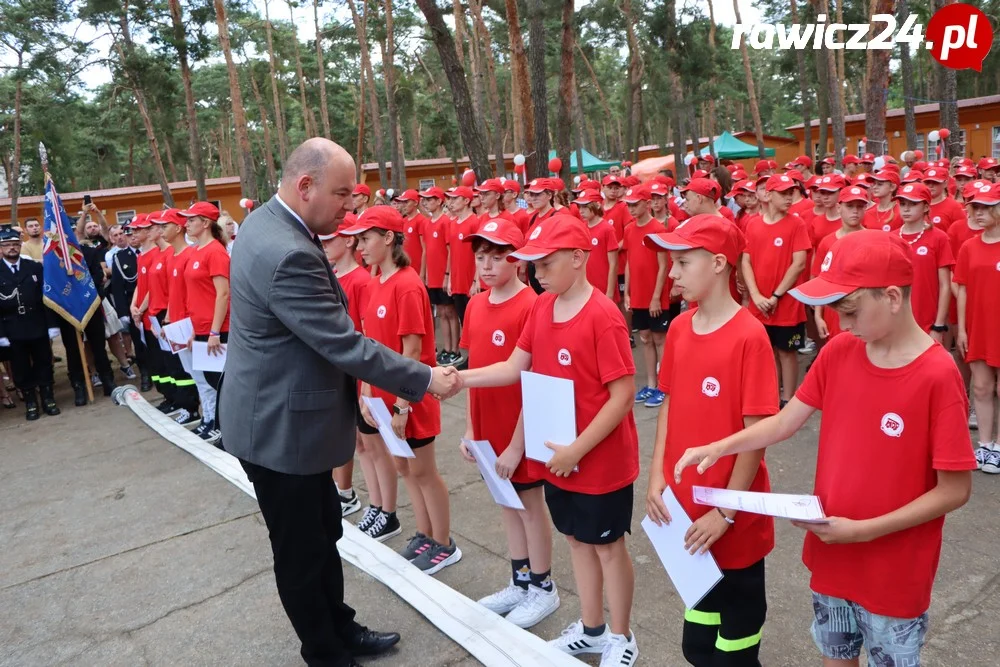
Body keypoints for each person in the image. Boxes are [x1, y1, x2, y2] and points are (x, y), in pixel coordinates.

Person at [675, 230, 975, 667]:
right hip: (832, 555)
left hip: (894, 573)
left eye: (848, 309)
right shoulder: (839, 352)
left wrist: (864, 530)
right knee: (834, 657)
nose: (841, 323)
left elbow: (955, 489)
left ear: (892, 297)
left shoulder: (937, 375)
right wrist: (720, 446)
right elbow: (784, 422)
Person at [219, 138, 462, 667]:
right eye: (343, 195)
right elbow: (343, 343)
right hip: (281, 430)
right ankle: (325, 651)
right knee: (301, 552)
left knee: (324, 531)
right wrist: (422, 376)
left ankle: (339, 627)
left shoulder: (268, 223)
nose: (350, 207)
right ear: (305, 186)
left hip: (282, 417)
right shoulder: (287, 253)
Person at [459, 214, 641, 667]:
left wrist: (578, 448)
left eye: (545, 263)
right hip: (556, 457)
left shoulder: (603, 316)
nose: (536, 272)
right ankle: (592, 627)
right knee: (577, 542)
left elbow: (622, 396)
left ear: (579, 258)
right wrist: (456, 378)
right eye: (532, 264)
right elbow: (514, 368)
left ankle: (622, 636)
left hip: (598, 462)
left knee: (607, 547)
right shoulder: (542, 307)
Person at [644, 214, 775, 667]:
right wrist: (657, 476)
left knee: (735, 651)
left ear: (719, 263)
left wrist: (726, 511)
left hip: (732, 521)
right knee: (697, 646)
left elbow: (756, 436)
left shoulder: (749, 337)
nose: (673, 274)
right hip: (687, 517)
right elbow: (669, 406)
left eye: (682, 262)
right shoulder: (680, 329)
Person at [457, 218, 560, 627]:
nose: (486, 266)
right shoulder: (475, 305)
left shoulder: (532, 305)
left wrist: (517, 445)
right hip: (487, 428)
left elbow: (533, 381)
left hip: (521, 429)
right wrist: (470, 428)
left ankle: (542, 586)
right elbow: (474, 372)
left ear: (517, 261)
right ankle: (520, 581)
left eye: (497, 257)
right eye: (481, 257)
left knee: (531, 507)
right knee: (506, 504)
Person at [348, 207, 462, 572]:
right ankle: (425, 534)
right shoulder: (374, 280)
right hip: (383, 396)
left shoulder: (408, 284)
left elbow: (411, 351)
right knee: (404, 468)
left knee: (424, 471)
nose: (360, 246)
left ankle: (444, 542)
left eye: (366, 238)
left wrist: (401, 407)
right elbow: (369, 344)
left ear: (388, 238)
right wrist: (366, 392)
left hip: (410, 397)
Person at [742, 174, 811, 406]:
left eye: (791, 192)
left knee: (787, 351)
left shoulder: (796, 223)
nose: (789, 197)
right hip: (759, 302)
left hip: (786, 303)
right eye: (783, 193)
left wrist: (775, 296)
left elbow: (799, 263)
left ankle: (788, 398)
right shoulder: (753, 224)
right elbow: (746, 261)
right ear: (768, 195)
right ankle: (772, 392)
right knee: (767, 350)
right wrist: (756, 295)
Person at [320, 222, 368, 516]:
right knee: (343, 433)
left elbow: (364, 330)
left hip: (354, 366)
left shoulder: (360, 280)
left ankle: (346, 491)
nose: (324, 246)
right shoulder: (334, 275)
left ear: (349, 242)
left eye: (330, 240)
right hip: (337, 364)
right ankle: (342, 489)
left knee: (358, 438)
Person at [956, 182, 1000, 473]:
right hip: (979, 327)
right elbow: (963, 289)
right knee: (981, 387)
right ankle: (986, 446)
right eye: (975, 207)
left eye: (986, 207)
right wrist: (962, 329)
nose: (979, 213)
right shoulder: (968, 246)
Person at [179, 201, 230, 444]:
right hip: (201, 329)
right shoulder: (196, 252)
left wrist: (214, 331)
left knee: (222, 383)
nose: (186, 224)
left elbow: (223, 293)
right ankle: (223, 428)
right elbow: (195, 295)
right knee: (211, 380)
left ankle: (226, 431)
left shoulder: (215, 251)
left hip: (218, 330)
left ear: (205, 223)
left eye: (191, 219)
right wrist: (194, 330)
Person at [0, 226, 61, 420]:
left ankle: (48, 398)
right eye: (7, 245)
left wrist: (52, 324)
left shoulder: (34, 267)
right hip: (12, 328)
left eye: (15, 244)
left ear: (20, 245)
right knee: (20, 367)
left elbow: (46, 297)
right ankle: (31, 402)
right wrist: (1, 334)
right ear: (1, 248)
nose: (12, 248)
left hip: (38, 324)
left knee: (44, 362)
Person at [154, 209, 205, 435]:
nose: (161, 230)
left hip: (189, 324)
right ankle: (204, 416)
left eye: (165, 226)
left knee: (201, 375)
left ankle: (208, 417)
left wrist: (191, 323)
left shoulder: (189, 255)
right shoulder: (172, 257)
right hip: (176, 323)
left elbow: (193, 295)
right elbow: (173, 293)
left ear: (178, 228)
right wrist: (168, 320)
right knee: (189, 371)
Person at [622, 185, 673, 409]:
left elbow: (663, 266)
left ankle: (664, 385)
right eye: (629, 205)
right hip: (639, 295)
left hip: (655, 295)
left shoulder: (658, 229)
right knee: (645, 338)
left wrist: (655, 297)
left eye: (636, 204)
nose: (632, 209)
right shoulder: (629, 230)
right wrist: (628, 293)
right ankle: (652, 384)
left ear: (647, 204)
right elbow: (630, 263)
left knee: (660, 338)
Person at [893, 183, 954, 338]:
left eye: (913, 204)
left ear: (926, 207)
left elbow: (945, 285)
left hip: (927, 321)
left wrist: (939, 325)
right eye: (903, 204)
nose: (906, 209)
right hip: (895, 320)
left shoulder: (939, 238)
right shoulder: (891, 238)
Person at [812, 187, 867, 343]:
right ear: (839, 208)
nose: (855, 211)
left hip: (864, 312)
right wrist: (818, 315)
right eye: (850, 206)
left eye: (859, 206)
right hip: (834, 313)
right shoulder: (827, 242)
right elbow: (821, 280)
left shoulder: (874, 239)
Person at [109, 219, 150, 392]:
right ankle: (146, 374)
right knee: (139, 344)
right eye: (128, 233)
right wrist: (123, 313)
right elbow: (117, 287)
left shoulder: (152, 251)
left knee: (156, 343)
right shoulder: (120, 257)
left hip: (154, 305)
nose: (131, 236)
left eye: (134, 232)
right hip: (134, 308)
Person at [421, 187, 460, 365]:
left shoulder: (446, 222)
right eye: (425, 199)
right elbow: (427, 251)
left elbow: (451, 251)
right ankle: (446, 348)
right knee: (441, 312)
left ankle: (455, 349)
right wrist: (426, 274)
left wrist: (447, 275)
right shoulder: (427, 223)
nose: (426, 202)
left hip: (444, 275)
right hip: (433, 276)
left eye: (430, 199)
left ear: (439, 201)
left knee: (450, 311)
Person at [444, 186, 479, 327]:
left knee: (475, 323)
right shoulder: (452, 224)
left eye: (455, 198)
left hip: (470, 282)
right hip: (457, 282)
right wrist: (450, 279)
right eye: (450, 198)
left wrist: (476, 281)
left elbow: (479, 253)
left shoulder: (475, 222)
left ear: (466, 201)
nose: (451, 202)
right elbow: (452, 253)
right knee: (463, 321)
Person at [577, 190, 619, 300]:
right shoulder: (582, 228)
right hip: (586, 286)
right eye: (580, 207)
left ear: (597, 205)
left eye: (585, 207)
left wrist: (610, 292)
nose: (581, 211)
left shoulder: (607, 229)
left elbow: (613, 264)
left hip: (603, 286)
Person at [394, 190, 426, 278]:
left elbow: (425, 249)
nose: (403, 205)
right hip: (404, 267)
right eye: (402, 202)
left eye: (406, 202)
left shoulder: (421, 221)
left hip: (417, 269)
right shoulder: (403, 221)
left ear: (415, 203)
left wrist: (422, 273)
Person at [924, 168, 965, 232]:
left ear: (945, 184)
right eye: (927, 182)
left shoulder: (954, 206)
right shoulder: (917, 205)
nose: (931, 185)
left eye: (935, 182)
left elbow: (961, 231)